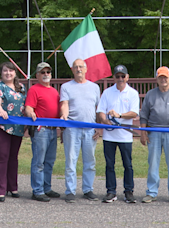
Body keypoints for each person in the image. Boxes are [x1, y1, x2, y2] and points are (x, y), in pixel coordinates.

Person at [140, 66, 169, 204]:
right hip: (154, 132)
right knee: (153, 163)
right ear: (157, 79)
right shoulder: (150, 94)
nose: (163, 80)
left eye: (165, 77)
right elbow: (144, 115)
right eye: (160, 77)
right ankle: (151, 192)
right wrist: (143, 133)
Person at [97, 65, 140, 203]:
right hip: (109, 135)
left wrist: (119, 115)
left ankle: (129, 191)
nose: (120, 79)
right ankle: (111, 191)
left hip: (125, 136)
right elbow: (101, 110)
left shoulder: (132, 93)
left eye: (123, 76)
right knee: (110, 164)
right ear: (114, 77)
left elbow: (134, 113)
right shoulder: (107, 92)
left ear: (127, 77)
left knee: (127, 165)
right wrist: (104, 120)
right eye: (117, 76)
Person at [60, 59, 101, 203]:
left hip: (90, 129)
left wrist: (99, 126)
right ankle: (70, 191)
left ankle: (88, 189)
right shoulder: (66, 87)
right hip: (72, 129)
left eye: (81, 67)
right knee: (71, 161)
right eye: (76, 67)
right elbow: (64, 104)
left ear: (86, 69)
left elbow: (98, 109)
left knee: (90, 161)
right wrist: (64, 115)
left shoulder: (95, 87)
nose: (78, 69)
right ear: (72, 70)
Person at [0, 62, 26, 202]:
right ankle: (0, 190)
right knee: (2, 156)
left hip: (18, 127)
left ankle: (13, 187)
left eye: (11, 71)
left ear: (15, 73)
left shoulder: (21, 87)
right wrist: (1, 111)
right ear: (1, 72)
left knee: (13, 157)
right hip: (1, 126)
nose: (8, 73)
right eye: (5, 71)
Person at [25, 62, 61, 202]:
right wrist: (30, 113)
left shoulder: (54, 91)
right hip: (41, 130)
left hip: (53, 130)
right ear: (37, 75)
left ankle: (47, 187)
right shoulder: (34, 89)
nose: (46, 74)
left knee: (49, 161)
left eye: (48, 72)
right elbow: (29, 107)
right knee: (39, 162)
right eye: (43, 72)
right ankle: (37, 190)